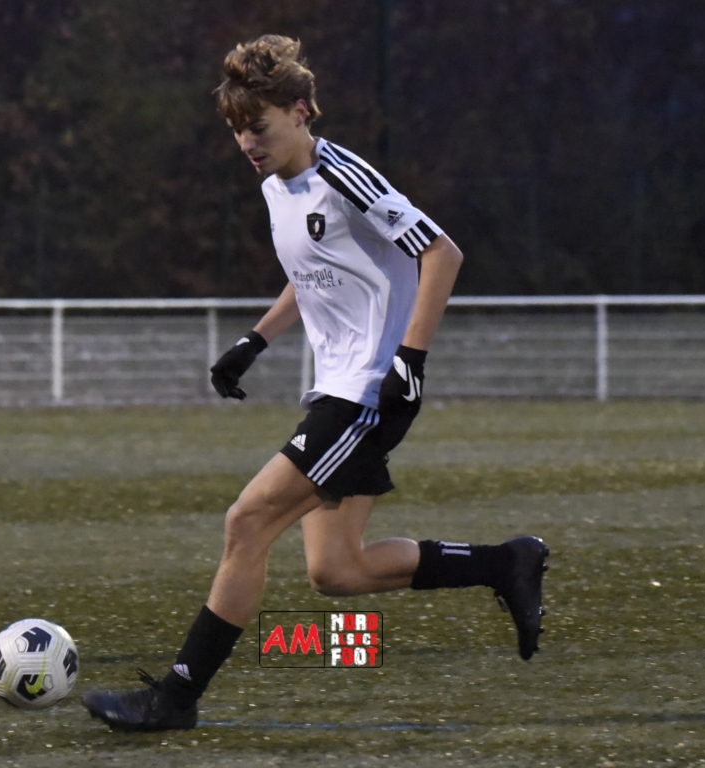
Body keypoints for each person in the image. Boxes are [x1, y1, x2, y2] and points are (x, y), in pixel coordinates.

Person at [82, 34, 549, 732]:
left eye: (259, 127)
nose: (248, 143)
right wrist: (255, 341)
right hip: (338, 389)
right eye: (237, 130)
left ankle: (175, 698)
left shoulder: (343, 175)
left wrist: (409, 362)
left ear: (300, 111)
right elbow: (312, 275)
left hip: (367, 393)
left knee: (246, 522)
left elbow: (441, 254)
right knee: (337, 571)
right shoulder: (277, 187)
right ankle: (505, 563)